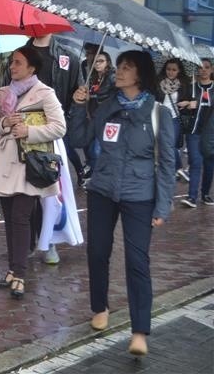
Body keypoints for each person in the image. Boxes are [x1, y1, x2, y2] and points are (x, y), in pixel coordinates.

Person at [70, 50, 175, 357]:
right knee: (97, 251)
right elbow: (79, 138)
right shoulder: (106, 107)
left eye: (126, 67)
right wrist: (78, 108)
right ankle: (99, 307)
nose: (119, 72)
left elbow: (168, 163)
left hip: (140, 194)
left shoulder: (158, 113)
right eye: (118, 67)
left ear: (140, 74)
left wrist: (163, 205)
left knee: (137, 261)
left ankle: (140, 330)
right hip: (102, 189)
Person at [0, 46, 66, 299]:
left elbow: (60, 127)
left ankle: (20, 273)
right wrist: (4, 123)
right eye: (11, 62)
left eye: (18, 62)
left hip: (32, 164)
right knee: (9, 218)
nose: (12, 67)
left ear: (32, 68)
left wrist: (29, 131)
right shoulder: (3, 93)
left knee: (20, 217)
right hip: (6, 163)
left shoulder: (45, 93)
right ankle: (12, 269)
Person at [24, 34, 84, 265]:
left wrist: (79, 100)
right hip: (23, 132)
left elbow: (76, 95)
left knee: (52, 191)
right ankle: (28, 241)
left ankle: (50, 241)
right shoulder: (20, 54)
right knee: (25, 192)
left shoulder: (68, 57)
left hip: (52, 134)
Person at [180, 58, 214, 207]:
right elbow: (180, 108)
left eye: (207, 67)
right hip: (193, 132)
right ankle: (192, 197)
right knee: (196, 162)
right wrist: (188, 105)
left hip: (211, 135)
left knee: (209, 166)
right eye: (200, 67)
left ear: (212, 70)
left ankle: (205, 194)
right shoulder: (191, 88)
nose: (204, 70)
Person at [157, 58, 192, 181]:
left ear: (178, 71)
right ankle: (177, 169)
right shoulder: (158, 82)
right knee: (165, 145)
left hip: (175, 118)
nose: (170, 72)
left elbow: (190, 100)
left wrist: (186, 102)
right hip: (160, 117)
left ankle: (175, 169)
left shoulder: (184, 84)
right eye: (168, 69)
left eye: (174, 70)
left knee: (172, 145)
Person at [85, 51, 116, 171]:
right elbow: (92, 97)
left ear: (107, 62)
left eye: (101, 61)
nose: (97, 64)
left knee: (96, 150)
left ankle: (101, 175)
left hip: (106, 118)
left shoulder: (112, 77)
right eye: (95, 61)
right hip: (93, 117)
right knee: (89, 147)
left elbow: (118, 94)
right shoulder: (94, 78)